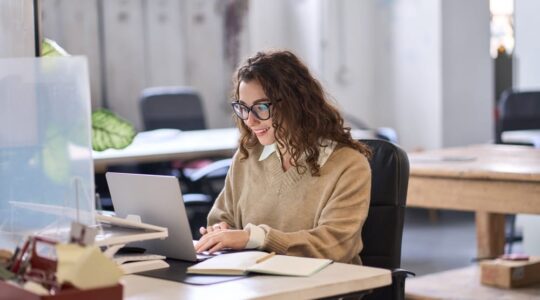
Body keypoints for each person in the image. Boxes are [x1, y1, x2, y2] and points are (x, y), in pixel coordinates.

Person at [195, 50, 372, 264]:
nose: (250, 121)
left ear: (295, 103)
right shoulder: (247, 157)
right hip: (254, 284)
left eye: (261, 107)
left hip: (323, 288)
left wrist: (254, 238)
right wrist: (219, 232)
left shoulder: (349, 165)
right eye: (243, 108)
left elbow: (334, 245)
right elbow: (222, 218)